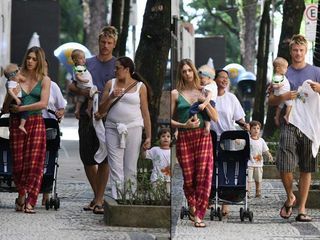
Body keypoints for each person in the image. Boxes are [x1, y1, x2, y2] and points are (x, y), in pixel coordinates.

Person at [268, 34, 320, 222]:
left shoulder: (316, 71)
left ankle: (302, 209)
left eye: (301, 50)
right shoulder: (282, 71)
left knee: (307, 168)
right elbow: (271, 99)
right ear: (290, 52)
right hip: (288, 123)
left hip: (310, 125)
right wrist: (283, 97)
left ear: (306, 51)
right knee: (284, 164)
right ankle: (290, 195)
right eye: (295, 50)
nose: (298, 53)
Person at [69, 26, 118, 214]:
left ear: (114, 44)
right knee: (88, 158)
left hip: (107, 116)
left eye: (109, 43)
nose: (105, 45)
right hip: (87, 116)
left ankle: (98, 200)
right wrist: (87, 92)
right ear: (98, 42)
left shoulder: (117, 65)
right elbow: (71, 85)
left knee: (104, 157)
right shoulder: (86, 62)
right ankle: (97, 196)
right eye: (103, 42)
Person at [95, 56, 152, 200]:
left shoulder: (140, 86)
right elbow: (101, 110)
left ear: (127, 70)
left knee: (130, 165)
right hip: (112, 128)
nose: (115, 70)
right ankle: (118, 198)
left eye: (117, 68)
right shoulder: (111, 84)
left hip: (134, 128)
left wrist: (149, 136)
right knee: (115, 165)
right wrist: (111, 96)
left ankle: (130, 198)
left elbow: (145, 112)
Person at [2, 46, 51, 213]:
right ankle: (21, 194)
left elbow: (43, 104)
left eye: (34, 59)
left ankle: (31, 200)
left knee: (35, 162)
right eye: (29, 58)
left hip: (36, 121)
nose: (30, 61)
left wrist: (22, 109)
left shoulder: (45, 80)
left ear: (39, 61)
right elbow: (5, 107)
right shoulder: (17, 77)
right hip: (16, 122)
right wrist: (11, 93)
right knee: (19, 162)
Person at [171, 58, 218, 228]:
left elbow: (215, 118)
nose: (187, 74)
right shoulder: (175, 93)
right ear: (181, 74)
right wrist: (184, 125)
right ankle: (192, 205)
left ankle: (199, 214)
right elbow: (170, 121)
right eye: (184, 71)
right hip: (185, 137)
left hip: (203, 137)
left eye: (189, 70)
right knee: (189, 178)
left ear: (194, 71)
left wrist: (204, 103)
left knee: (204, 176)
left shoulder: (204, 91)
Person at [210, 69, 249, 216]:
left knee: (228, 169)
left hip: (228, 139)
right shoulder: (210, 96)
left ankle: (225, 203)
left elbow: (239, 118)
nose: (225, 80)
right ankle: (211, 198)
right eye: (222, 77)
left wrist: (245, 125)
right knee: (212, 168)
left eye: (227, 78)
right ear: (215, 80)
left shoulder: (231, 98)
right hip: (211, 138)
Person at [41, 59, 67, 206]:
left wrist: (60, 113)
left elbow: (61, 107)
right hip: (33, 125)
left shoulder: (53, 86)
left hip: (49, 127)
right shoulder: (28, 84)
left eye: (45, 66)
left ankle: (46, 191)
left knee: (48, 157)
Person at [141, 127, 171, 195]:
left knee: (168, 195)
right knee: (156, 196)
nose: (166, 138)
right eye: (163, 136)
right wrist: (143, 149)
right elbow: (144, 156)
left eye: (168, 136)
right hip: (156, 178)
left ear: (171, 139)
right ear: (159, 139)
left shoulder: (173, 151)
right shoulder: (155, 150)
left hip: (168, 179)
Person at [247, 120, 273, 198]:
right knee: (248, 179)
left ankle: (258, 191)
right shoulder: (248, 139)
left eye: (258, 128)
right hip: (249, 163)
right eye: (254, 128)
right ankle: (247, 192)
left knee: (258, 179)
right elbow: (242, 143)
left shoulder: (261, 140)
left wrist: (269, 155)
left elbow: (265, 150)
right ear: (250, 130)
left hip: (259, 164)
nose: (256, 130)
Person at [189, 64, 217, 135]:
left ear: (209, 78)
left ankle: (195, 119)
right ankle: (207, 127)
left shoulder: (209, 87)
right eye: (199, 78)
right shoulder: (211, 85)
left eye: (202, 78)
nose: (200, 80)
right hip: (211, 102)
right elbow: (201, 87)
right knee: (206, 116)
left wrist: (204, 104)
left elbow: (209, 96)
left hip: (207, 101)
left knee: (193, 108)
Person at [71, 49, 96, 119]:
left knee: (80, 99)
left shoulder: (79, 67)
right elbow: (78, 76)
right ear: (75, 60)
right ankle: (88, 109)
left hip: (83, 86)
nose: (83, 60)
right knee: (92, 96)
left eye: (84, 57)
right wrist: (84, 80)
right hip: (86, 86)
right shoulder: (79, 67)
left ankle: (77, 109)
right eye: (80, 58)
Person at [4, 63, 28, 134]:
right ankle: (21, 125)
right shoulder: (12, 83)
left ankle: (21, 124)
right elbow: (6, 108)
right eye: (19, 70)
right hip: (16, 103)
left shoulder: (15, 81)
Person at [272, 57, 292, 126]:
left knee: (280, 106)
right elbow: (274, 85)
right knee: (290, 105)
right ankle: (287, 116)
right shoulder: (277, 76)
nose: (286, 69)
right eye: (285, 68)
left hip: (283, 93)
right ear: (278, 69)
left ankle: (276, 117)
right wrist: (278, 86)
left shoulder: (280, 76)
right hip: (283, 94)